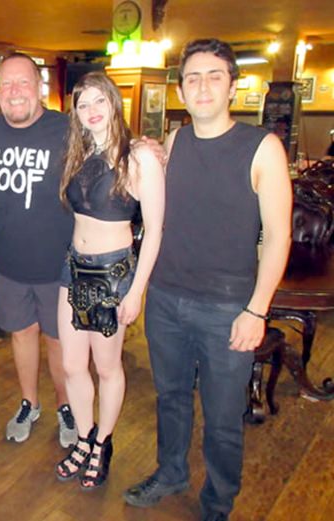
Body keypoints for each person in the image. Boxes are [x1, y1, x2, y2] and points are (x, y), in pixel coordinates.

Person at [122, 39, 292, 521]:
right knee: (171, 398)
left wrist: (257, 309)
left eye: (214, 76)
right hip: (168, 298)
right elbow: (151, 206)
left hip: (227, 308)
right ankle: (171, 471)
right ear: (180, 88)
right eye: (193, 77)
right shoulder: (174, 142)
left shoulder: (262, 148)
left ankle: (217, 502)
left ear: (233, 87)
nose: (202, 85)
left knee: (221, 419)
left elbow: (279, 237)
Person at [54, 72, 164, 490]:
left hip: (113, 273)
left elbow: (154, 229)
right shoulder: (77, 153)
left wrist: (136, 292)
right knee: (70, 364)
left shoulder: (138, 158)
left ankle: (103, 442)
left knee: (106, 366)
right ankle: (83, 437)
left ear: (115, 104)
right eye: (83, 105)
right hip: (73, 268)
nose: (92, 111)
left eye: (100, 101)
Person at [0, 53, 77, 448]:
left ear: (39, 88)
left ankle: (66, 407)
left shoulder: (67, 128)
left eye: (22, 83)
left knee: (59, 342)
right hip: (9, 263)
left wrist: (148, 148)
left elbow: (112, 148)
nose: (14, 92)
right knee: (21, 336)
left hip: (59, 264)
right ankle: (29, 403)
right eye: (5, 85)